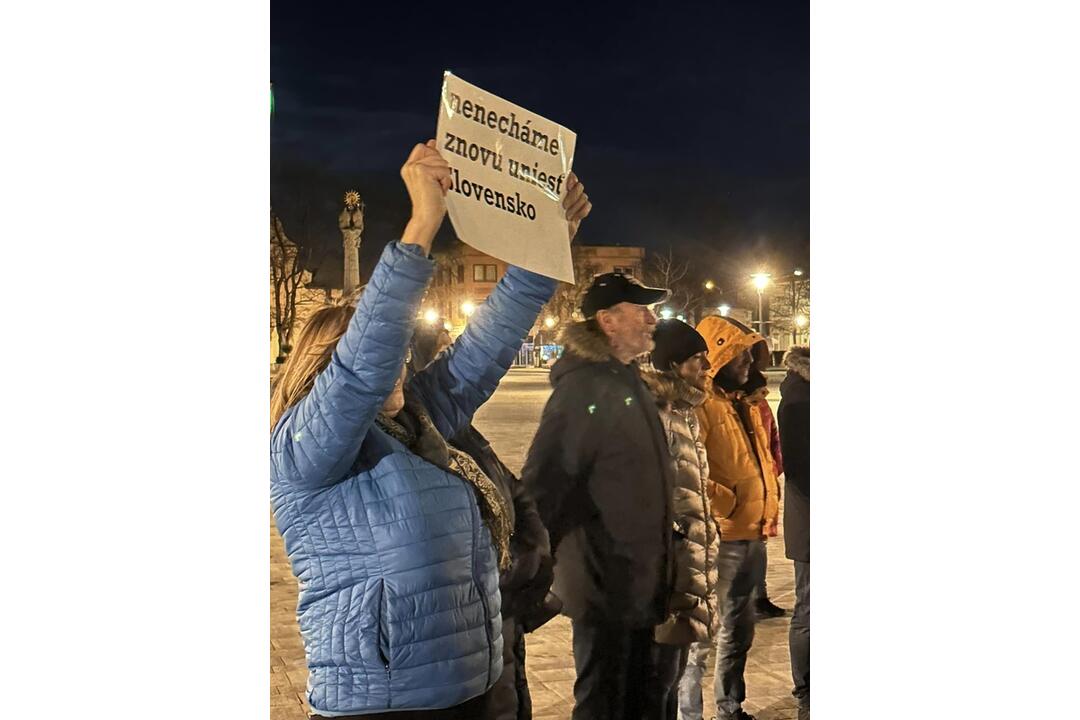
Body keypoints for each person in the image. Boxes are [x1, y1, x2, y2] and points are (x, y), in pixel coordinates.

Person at [269, 140, 592, 719]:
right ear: (324, 368)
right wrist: (422, 222)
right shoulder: (306, 447)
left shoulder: (415, 419)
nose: (397, 364)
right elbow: (363, 368)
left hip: (471, 685)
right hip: (384, 702)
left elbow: (486, 347)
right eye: (379, 352)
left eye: (400, 353)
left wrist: (548, 244)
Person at [520, 272, 676, 720]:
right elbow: (544, 487)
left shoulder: (629, 382)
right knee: (604, 703)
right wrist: (530, 575)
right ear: (608, 321)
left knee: (642, 700)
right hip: (606, 586)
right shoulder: (585, 387)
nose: (653, 319)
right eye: (641, 310)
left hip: (642, 582)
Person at [408, 322, 565, 720]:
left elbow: (514, 491)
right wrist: (506, 569)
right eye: (444, 353)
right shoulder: (411, 441)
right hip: (468, 633)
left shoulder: (463, 432)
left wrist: (530, 553)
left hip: (503, 616)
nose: (454, 364)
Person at [691, 315, 782, 720]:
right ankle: (688, 713)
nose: (747, 361)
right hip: (721, 537)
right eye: (739, 353)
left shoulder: (747, 403)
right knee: (702, 636)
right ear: (719, 355)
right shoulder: (703, 405)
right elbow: (690, 469)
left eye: (749, 353)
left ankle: (730, 707)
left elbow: (761, 462)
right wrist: (726, 505)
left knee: (739, 631)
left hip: (754, 534)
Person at [641, 320, 727, 720]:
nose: (707, 366)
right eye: (697, 359)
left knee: (673, 673)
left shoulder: (687, 410)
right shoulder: (656, 411)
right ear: (673, 364)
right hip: (669, 565)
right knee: (658, 678)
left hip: (690, 558)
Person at [741, 348, 788, 622]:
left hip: (762, 486)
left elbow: (772, 443)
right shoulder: (739, 410)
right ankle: (748, 596)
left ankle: (758, 595)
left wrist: (771, 472)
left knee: (757, 547)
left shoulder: (762, 409)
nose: (763, 398)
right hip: (744, 491)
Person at [778, 346, 810, 720]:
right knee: (808, 610)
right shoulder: (799, 400)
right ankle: (806, 692)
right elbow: (800, 470)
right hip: (809, 522)